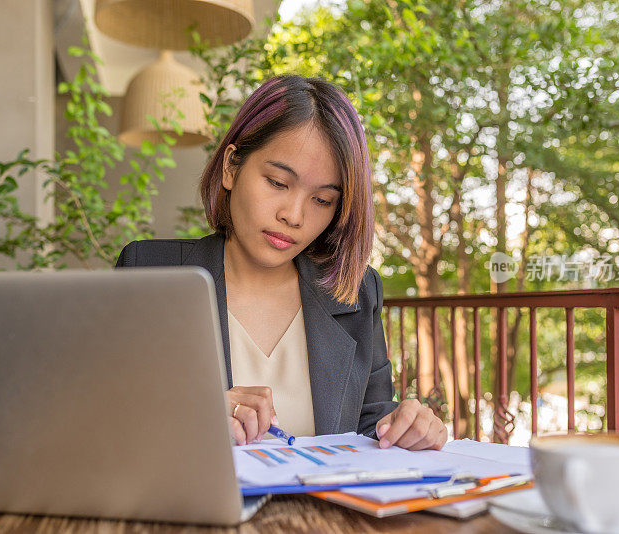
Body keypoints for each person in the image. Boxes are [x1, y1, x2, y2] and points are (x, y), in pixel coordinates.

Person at [115, 75, 447, 451]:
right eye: (277, 182)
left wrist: (406, 429)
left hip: (320, 511)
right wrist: (190, 416)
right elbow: (100, 418)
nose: (294, 216)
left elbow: (370, 426)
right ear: (230, 167)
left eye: (322, 200)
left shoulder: (355, 292)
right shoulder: (150, 271)